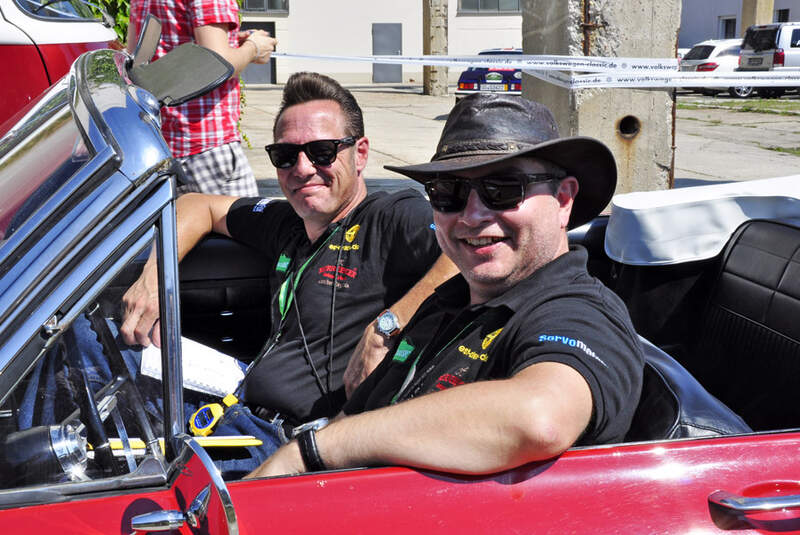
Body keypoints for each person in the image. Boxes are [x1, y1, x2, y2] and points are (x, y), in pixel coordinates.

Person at [246, 93, 645, 479]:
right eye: (447, 193)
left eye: (503, 190)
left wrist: (311, 451)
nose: (471, 216)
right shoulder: (445, 304)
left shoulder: (578, 311)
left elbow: (539, 418)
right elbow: (357, 415)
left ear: (562, 199)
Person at [121, 72, 456, 445]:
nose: (302, 168)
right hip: (236, 407)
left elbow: (462, 254)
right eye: (285, 155)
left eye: (322, 151)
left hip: (291, 442)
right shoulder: (288, 222)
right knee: (99, 347)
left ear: (360, 154)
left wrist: (387, 326)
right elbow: (196, 204)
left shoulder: (392, 215)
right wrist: (154, 279)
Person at [126, 0, 277, 196]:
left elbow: (137, 55)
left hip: (162, 140)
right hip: (207, 144)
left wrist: (232, 43)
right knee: (245, 223)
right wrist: (254, 47)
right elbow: (217, 65)